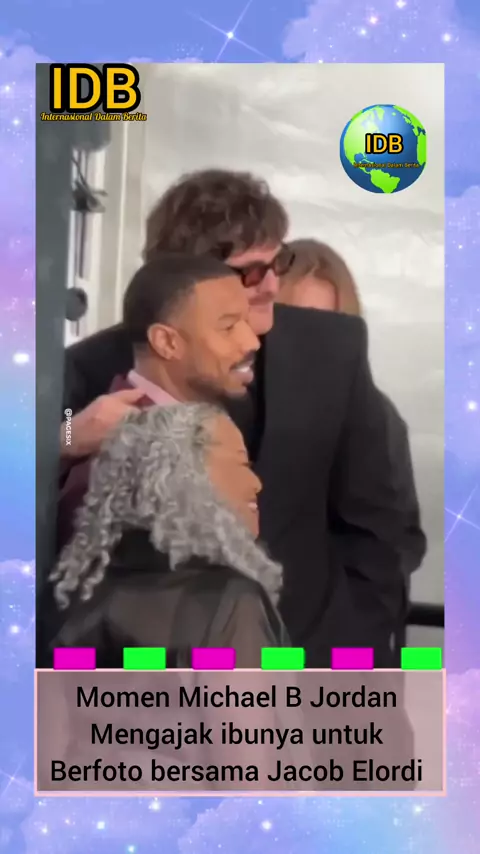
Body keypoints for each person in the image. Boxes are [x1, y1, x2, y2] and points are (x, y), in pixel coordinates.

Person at [58, 169, 426, 667]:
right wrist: (68, 436)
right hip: (159, 680)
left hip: (319, 664)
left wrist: (351, 648)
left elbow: (381, 525)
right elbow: (48, 470)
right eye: (250, 273)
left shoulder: (332, 348)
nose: (272, 284)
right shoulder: (91, 365)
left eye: (279, 262)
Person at [50, 403, 287, 668]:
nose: (256, 483)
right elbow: (247, 696)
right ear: (188, 475)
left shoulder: (73, 599)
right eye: (241, 464)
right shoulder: (230, 603)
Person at [277, 238, 427, 646]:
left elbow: (401, 539)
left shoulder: (376, 417)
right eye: (294, 319)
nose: (313, 339)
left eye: (328, 323)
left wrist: (354, 622)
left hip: (330, 645)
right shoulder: (237, 403)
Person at [57, 251, 259, 552]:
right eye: (228, 327)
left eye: (247, 321)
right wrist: (65, 439)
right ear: (166, 342)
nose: (252, 341)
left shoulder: (230, 414)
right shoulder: (112, 465)